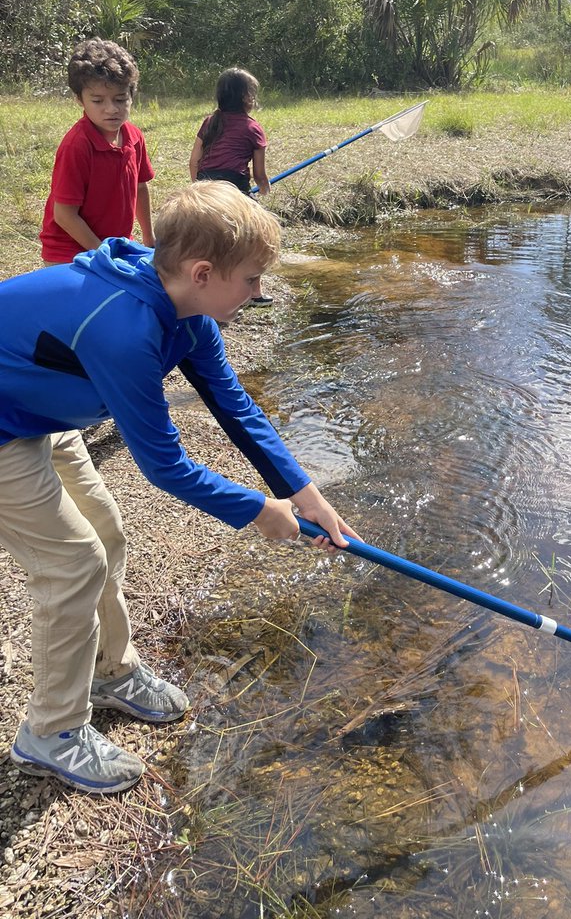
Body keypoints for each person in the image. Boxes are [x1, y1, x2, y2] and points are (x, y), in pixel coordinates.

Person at [0, 181, 358, 795]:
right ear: (202, 272)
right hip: (4, 426)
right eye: (250, 279)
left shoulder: (187, 312)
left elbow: (236, 408)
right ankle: (51, 733)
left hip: (36, 413)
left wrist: (305, 495)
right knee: (73, 561)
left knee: (107, 535)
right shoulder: (124, 328)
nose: (259, 292)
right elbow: (164, 466)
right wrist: (257, 511)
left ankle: (111, 672)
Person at [39, 38, 154, 266]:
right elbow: (64, 215)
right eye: (98, 100)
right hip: (69, 252)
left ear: (132, 95)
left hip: (115, 245)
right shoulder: (77, 145)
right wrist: (103, 253)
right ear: (79, 100)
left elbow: (140, 187)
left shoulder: (134, 137)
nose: (111, 109)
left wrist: (149, 238)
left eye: (120, 99)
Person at [189, 67, 272, 305]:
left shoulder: (210, 122)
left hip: (206, 187)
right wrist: (265, 189)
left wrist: (199, 190)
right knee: (257, 237)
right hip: (234, 190)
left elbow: (194, 161)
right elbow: (259, 174)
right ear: (247, 97)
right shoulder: (253, 128)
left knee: (209, 240)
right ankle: (255, 294)